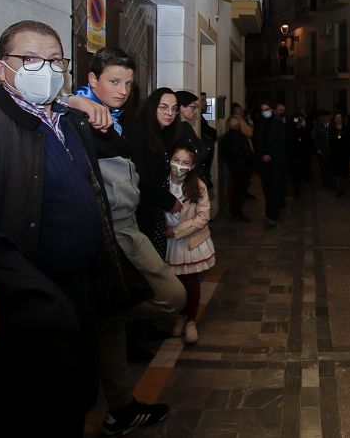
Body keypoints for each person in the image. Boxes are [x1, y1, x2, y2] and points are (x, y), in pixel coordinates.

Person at [0, 20, 151, 437]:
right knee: (36, 400)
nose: (43, 69)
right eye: (29, 59)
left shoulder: (71, 121)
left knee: (78, 390)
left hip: (82, 284)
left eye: (53, 60)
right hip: (30, 296)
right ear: (1, 68)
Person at [76, 47, 184, 435]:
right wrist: (75, 102)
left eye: (128, 83)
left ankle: (120, 404)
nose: (122, 90)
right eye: (113, 82)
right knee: (166, 298)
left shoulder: (122, 122)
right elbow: (51, 108)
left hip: (128, 225)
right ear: (92, 80)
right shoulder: (76, 114)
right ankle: (120, 408)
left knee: (136, 312)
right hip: (106, 231)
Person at [165, 145, 215, 346]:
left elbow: (203, 216)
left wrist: (176, 231)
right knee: (173, 283)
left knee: (190, 281)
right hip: (167, 241)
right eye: (176, 160)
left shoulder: (198, 186)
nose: (179, 166)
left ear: (192, 166)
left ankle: (191, 320)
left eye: (185, 163)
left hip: (190, 241)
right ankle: (180, 315)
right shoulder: (162, 182)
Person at [127, 88, 182, 259]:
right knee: (147, 260)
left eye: (174, 109)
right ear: (152, 107)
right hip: (143, 208)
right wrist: (168, 200)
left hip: (156, 207)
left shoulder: (164, 134)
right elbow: (138, 175)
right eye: (164, 107)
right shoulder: (138, 132)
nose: (169, 113)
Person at [254, 100, 287, 228]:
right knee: (266, 188)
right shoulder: (259, 123)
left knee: (275, 188)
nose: (264, 112)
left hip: (275, 161)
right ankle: (269, 213)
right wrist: (263, 154)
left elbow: (280, 141)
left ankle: (273, 216)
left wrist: (270, 154)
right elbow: (257, 141)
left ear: (271, 110)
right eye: (262, 110)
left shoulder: (278, 123)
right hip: (263, 162)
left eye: (266, 109)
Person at [175, 90, 214, 191]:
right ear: (181, 108)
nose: (195, 111)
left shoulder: (186, 126)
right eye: (192, 108)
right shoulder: (177, 129)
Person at [221, 116, 253, 221]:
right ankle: (237, 212)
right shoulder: (241, 137)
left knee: (235, 189)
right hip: (242, 168)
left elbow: (223, 155)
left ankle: (234, 210)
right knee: (240, 191)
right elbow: (248, 154)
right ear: (238, 125)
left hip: (231, 168)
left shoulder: (224, 138)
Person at [290, 112, 313, 199]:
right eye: (297, 119)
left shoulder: (305, 130)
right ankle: (297, 191)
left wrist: (304, 126)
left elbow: (308, 140)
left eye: (301, 119)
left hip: (304, 156)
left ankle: (302, 188)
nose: (298, 121)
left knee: (302, 174)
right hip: (294, 156)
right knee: (295, 175)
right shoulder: (292, 129)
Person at [330, 112, 350, 197]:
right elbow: (331, 142)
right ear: (334, 119)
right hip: (335, 155)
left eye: (340, 117)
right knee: (337, 173)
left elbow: (349, 142)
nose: (338, 119)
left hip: (344, 155)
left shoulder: (346, 129)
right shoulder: (332, 129)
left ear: (342, 119)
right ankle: (338, 190)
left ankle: (341, 188)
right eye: (337, 117)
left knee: (343, 173)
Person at [313, 111, 334, 188]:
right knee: (323, 168)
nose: (326, 118)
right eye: (324, 116)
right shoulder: (319, 126)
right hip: (322, 151)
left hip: (331, 151)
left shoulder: (332, 126)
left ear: (329, 117)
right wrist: (318, 149)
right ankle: (325, 183)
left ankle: (331, 183)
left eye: (327, 116)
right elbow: (316, 139)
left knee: (331, 167)